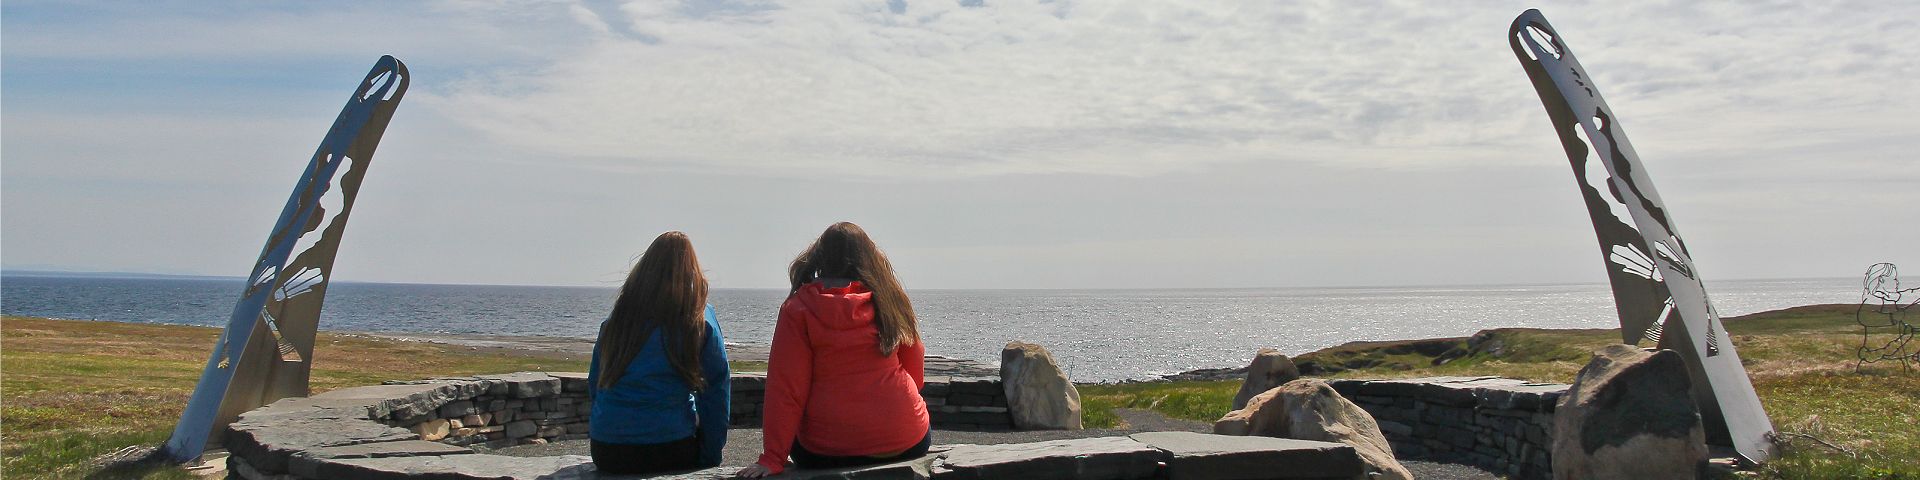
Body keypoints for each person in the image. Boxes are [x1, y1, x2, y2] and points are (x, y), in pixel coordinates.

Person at [737, 222, 930, 477]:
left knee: (801, 434)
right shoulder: (890, 299)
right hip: (906, 441)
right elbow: (915, 374)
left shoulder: (799, 308)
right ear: (868, 256)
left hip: (827, 451)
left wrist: (773, 457)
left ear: (819, 256)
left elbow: (786, 389)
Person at [587, 231, 730, 475]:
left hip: (607, 449)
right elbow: (716, 388)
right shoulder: (699, 318)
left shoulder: (617, 320)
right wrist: (710, 454)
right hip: (669, 447)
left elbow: (596, 383)